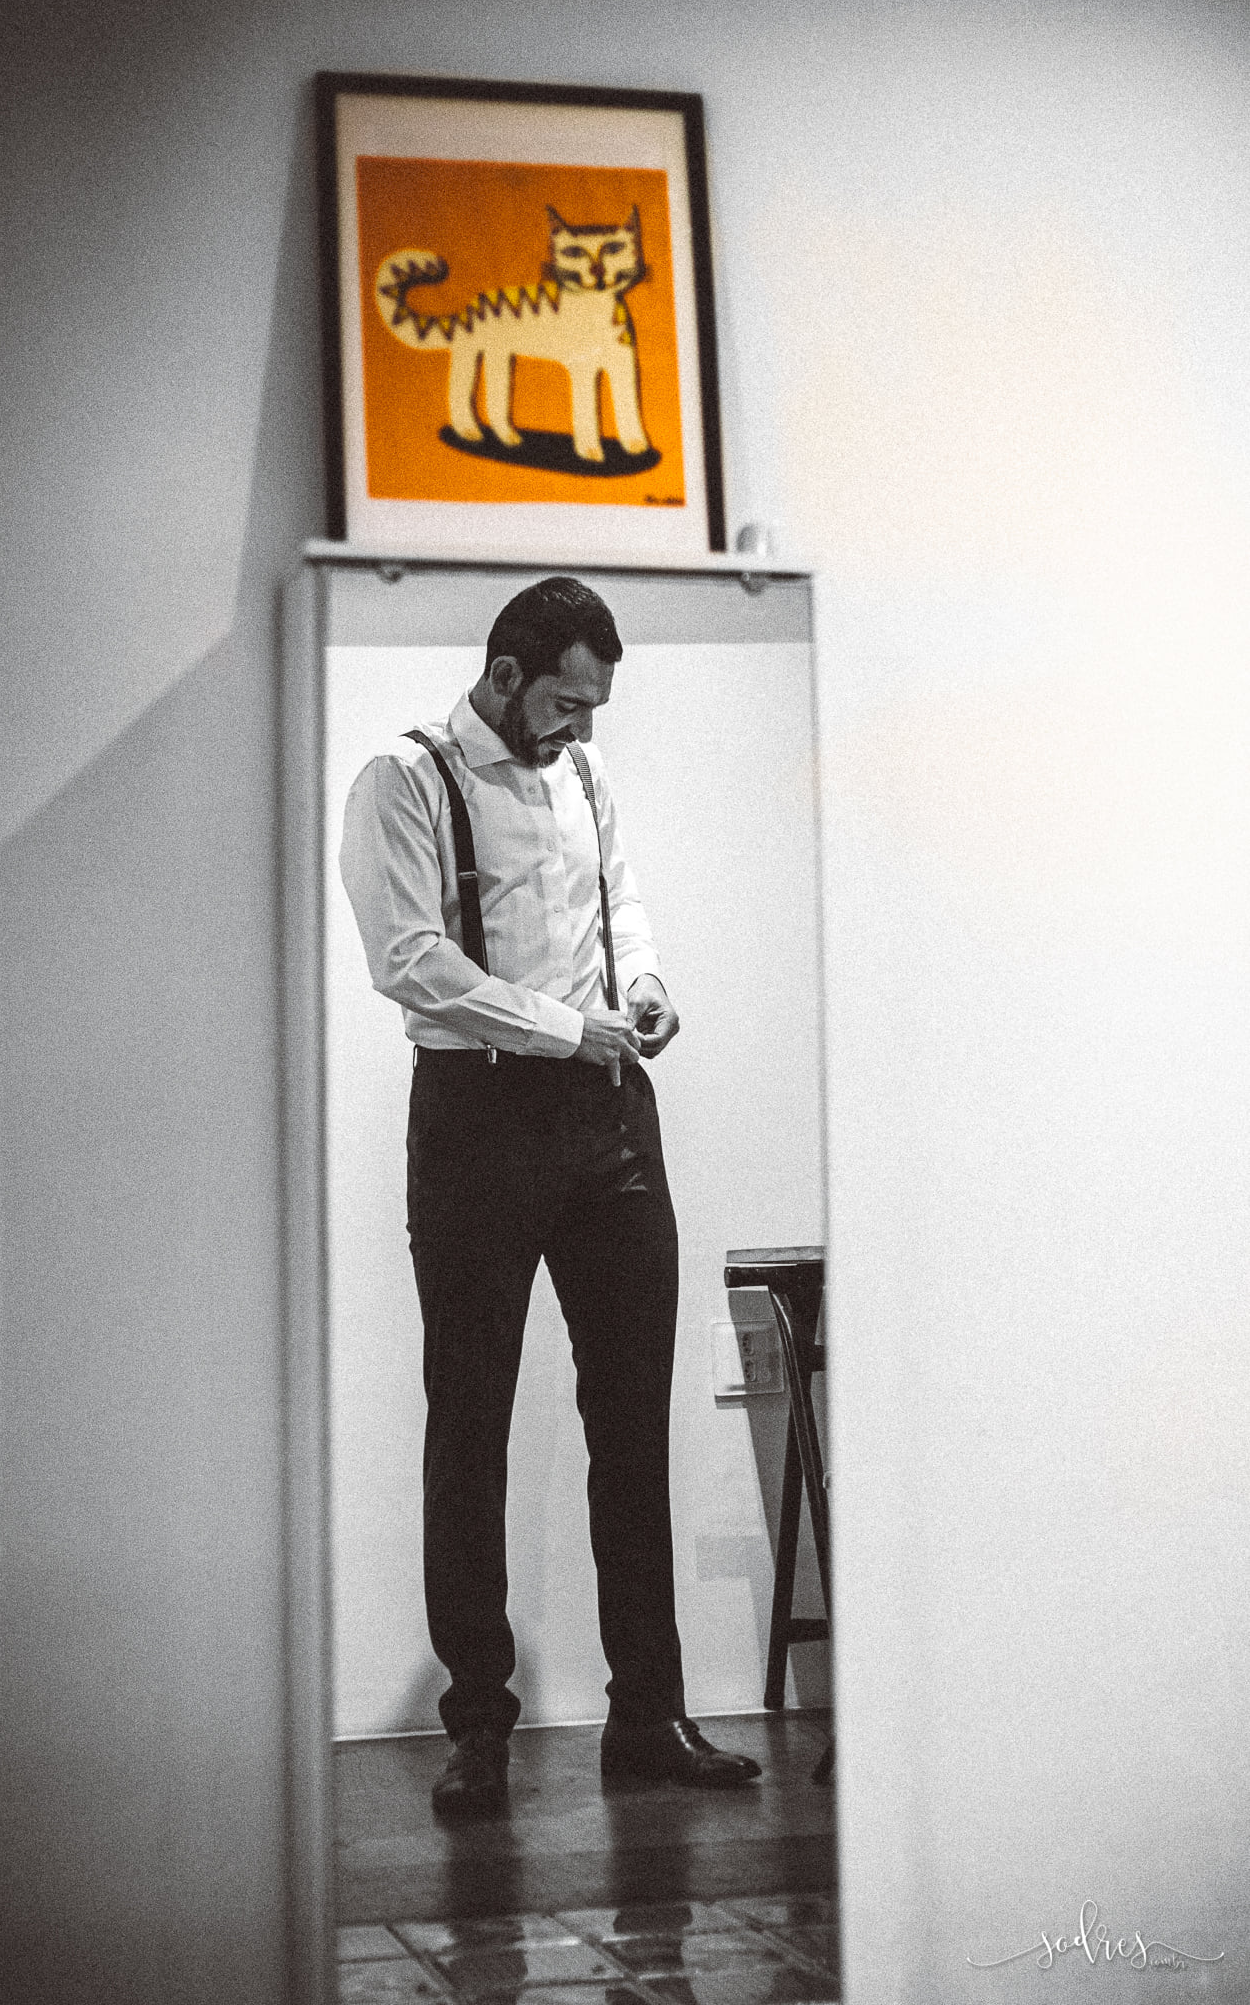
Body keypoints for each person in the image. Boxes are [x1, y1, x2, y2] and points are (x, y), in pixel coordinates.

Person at [340, 575, 761, 1817]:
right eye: (568, 701)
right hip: (477, 1117)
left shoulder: (585, 771)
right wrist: (566, 1029)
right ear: (508, 672)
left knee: (632, 1419)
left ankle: (649, 1711)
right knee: (468, 1419)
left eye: (595, 706)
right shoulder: (405, 778)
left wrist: (648, 986)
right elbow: (410, 962)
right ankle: (478, 1725)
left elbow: (618, 898)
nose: (581, 725)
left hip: (611, 1113)